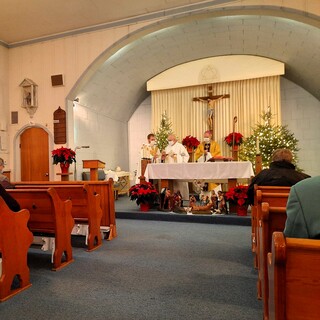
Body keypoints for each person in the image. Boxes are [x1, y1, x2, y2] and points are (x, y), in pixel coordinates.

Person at [162, 134, 189, 200]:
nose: (169, 142)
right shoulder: (167, 147)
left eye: (170, 140)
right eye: (168, 140)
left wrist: (177, 157)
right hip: (169, 170)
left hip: (179, 169)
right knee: (172, 185)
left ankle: (182, 199)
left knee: (180, 185)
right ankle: (171, 199)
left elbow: (186, 156)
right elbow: (164, 158)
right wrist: (163, 157)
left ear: (174, 140)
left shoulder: (180, 146)